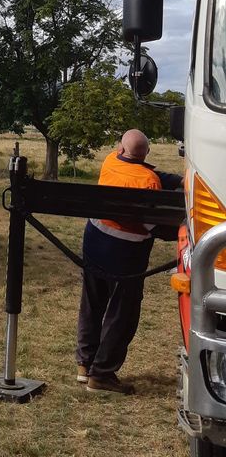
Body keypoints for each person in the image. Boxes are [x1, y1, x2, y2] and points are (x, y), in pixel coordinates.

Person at [75, 129, 182, 395]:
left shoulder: (110, 160)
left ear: (122, 150)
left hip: (93, 244)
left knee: (92, 303)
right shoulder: (148, 182)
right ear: (146, 154)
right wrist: (185, 230)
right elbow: (153, 226)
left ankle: (84, 365)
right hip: (125, 254)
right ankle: (102, 375)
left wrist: (179, 180)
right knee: (122, 314)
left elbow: (145, 171)